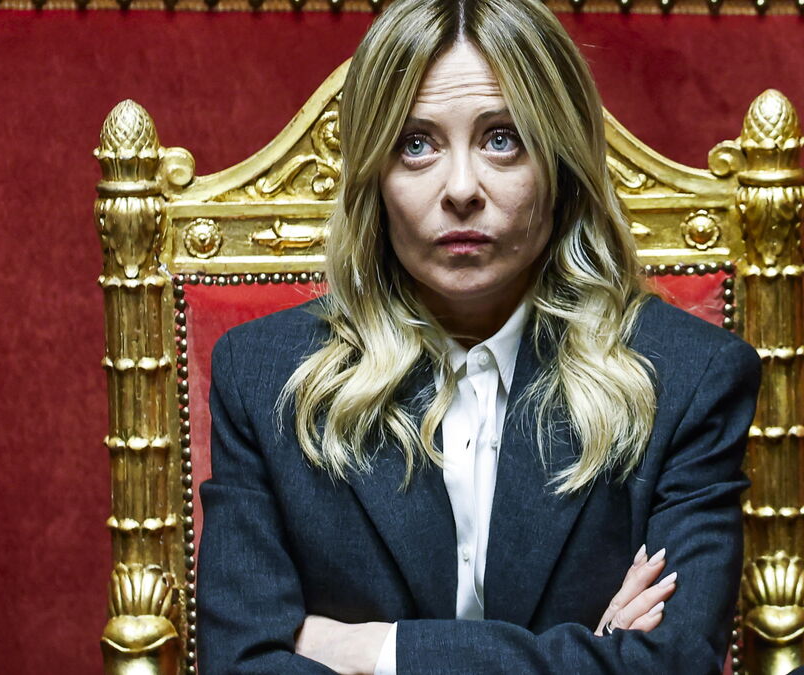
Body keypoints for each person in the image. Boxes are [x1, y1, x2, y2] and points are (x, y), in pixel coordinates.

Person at [196, 0, 761, 671]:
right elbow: (241, 663)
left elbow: (673, 663)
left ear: (561, 165)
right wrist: (591, 657)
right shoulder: (265, 378)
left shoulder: (689, 379)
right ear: (372, 175)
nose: (461, 189)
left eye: (502, 139)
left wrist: (373, 650)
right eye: (416, 144)